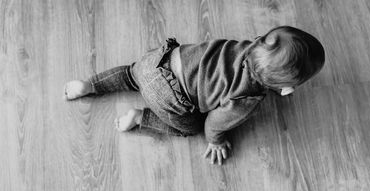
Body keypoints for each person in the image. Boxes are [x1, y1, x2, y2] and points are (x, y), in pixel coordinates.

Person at [64, 26, 325, 165]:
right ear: (286, 86)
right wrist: (216, 141)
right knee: (192, 128)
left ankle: (89, 85)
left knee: (131, 75)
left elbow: (268, 60)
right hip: (170, 96)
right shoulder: (247, 98)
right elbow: (215, 122)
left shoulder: (250, 47)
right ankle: (139, 118)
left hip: (160, 60)